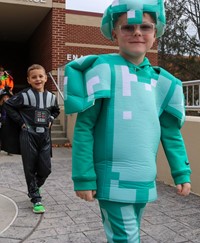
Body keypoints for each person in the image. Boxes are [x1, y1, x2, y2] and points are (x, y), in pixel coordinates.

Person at [64, 0, 191, 242]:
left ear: (156, 32)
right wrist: (83, 176)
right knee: (126, 237)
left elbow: (171, 133)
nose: (136, 32)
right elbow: (84, 127)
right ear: (114, 32)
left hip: (143, 178)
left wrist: (181, 172)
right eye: (127, 27)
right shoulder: (102, 69)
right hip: (111, 177)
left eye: (145, 27)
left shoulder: (163, 83)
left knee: (126, 235)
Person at [4, 64, 60, 214]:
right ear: (28, 80)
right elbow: (8, 105)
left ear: (46, 78)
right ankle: (36, 198)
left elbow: (56, 110)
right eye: (34, 77)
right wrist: (21, 123)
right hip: (28, 135)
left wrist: (52, 118)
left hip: (44, 137)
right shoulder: (23, 95)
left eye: (40, 76)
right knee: (29, 168)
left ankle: (34, 185)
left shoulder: (51, 97)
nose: (38, 79)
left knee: (46, 168)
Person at [0, 86, 13, 154]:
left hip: (9, 122)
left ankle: (9, 150)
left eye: (7, 97)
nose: (6, 98)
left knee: (9, 136)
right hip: (2, 121)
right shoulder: (1, 105)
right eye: (4, 97)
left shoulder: (11, 105)